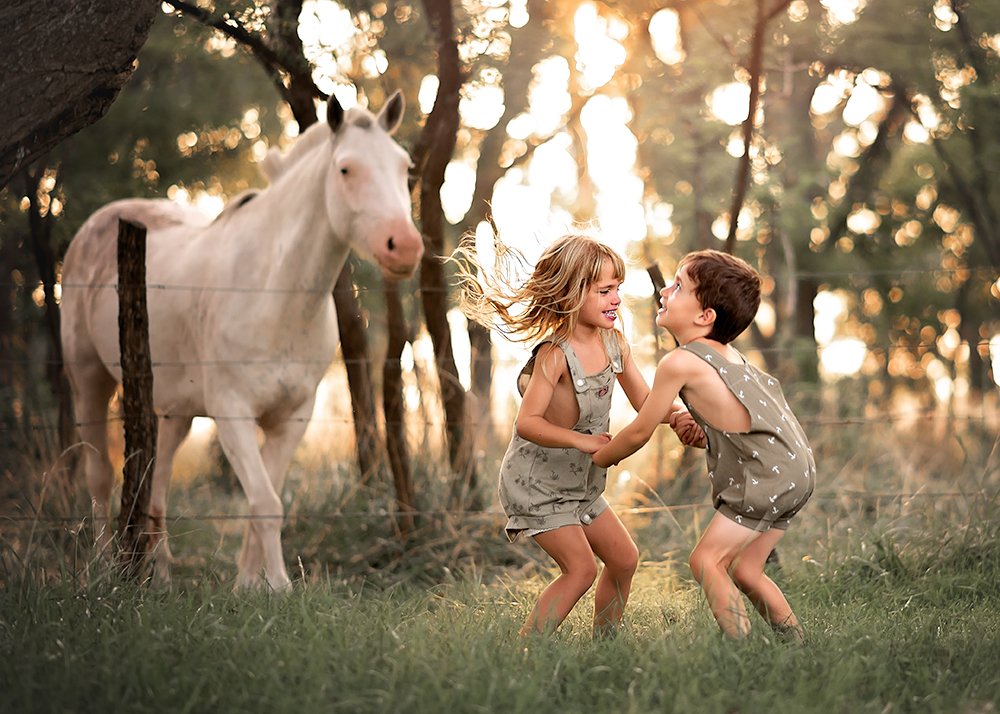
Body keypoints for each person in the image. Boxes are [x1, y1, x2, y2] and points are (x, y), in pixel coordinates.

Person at [452, 233, 701, 637]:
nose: (615, 299)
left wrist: (678, 417)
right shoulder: (554, 355)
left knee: (623, 559)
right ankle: (527, 651)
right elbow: (527, 423)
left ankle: (605, 646)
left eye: (617, 288)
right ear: (570, 294)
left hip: (581, 485)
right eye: (604, 291)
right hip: (537, 486)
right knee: (581, 570)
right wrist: (583, 441)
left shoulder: (614, 343)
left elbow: (646, 402)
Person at [593, 249, 815, 642]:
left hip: (764, 476)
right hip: (795, 471)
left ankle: (739, 646)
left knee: (705, 560)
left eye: (678, 287)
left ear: (704, 316)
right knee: (747, 571)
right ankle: (796, 642)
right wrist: (698, 427)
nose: (664, 291)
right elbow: (738, 422)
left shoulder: (679, 362)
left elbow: (640, 431)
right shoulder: (732, 358)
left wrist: (601, 457)